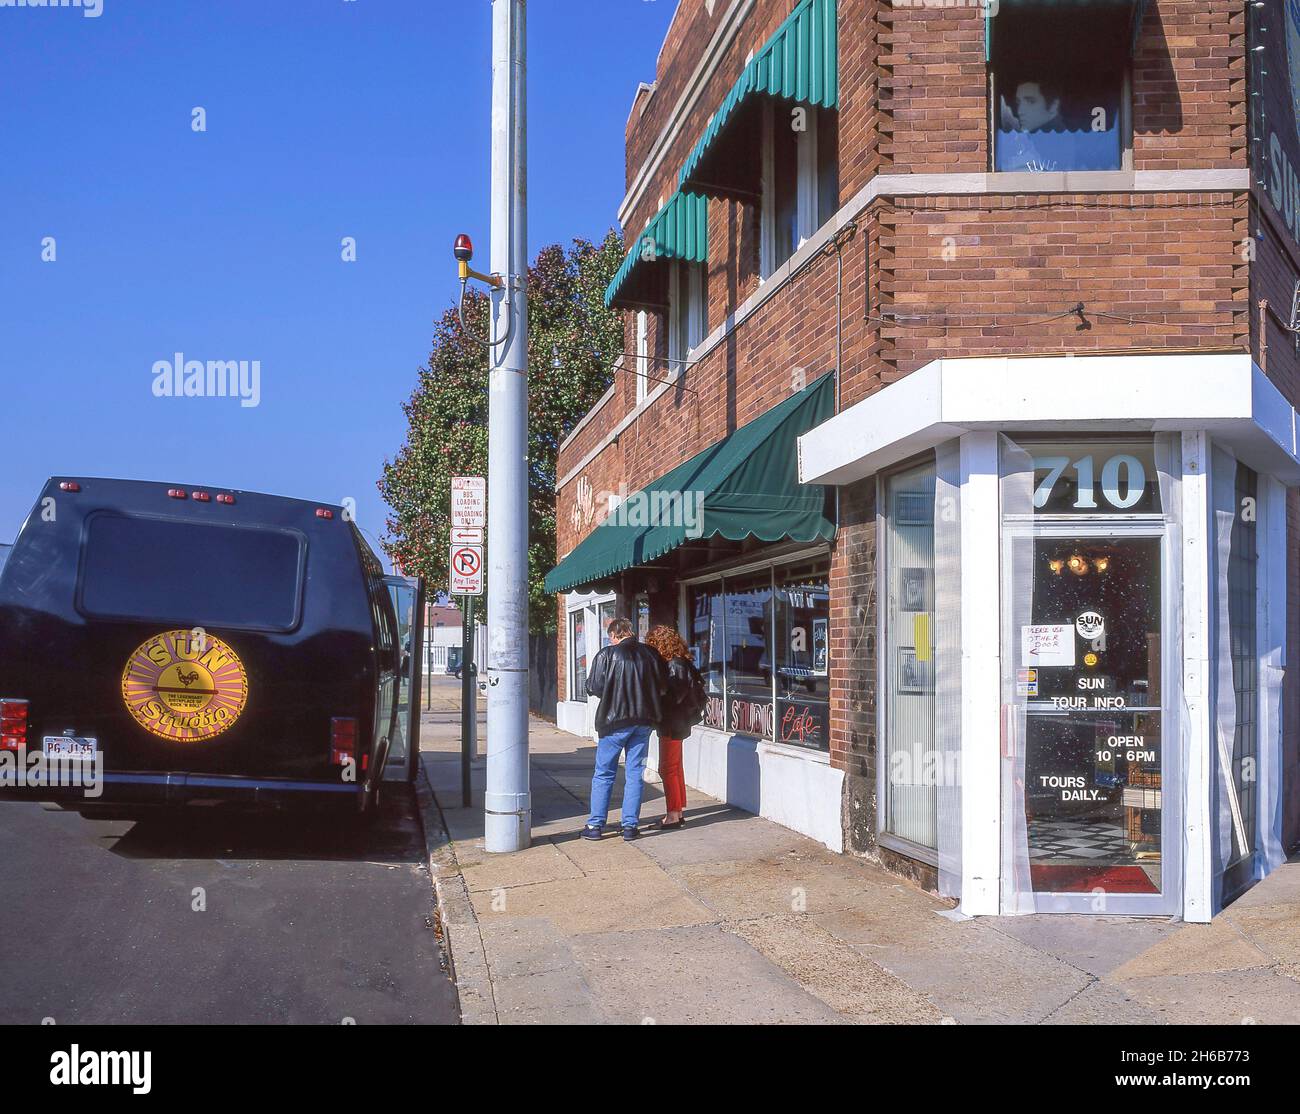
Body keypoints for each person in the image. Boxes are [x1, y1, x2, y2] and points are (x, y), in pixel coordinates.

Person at [582, 616, 668, 841]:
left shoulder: (607, 654)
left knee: (604, 773)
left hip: (614, 722)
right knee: (634, 774)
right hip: (643, 722)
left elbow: (594, 686)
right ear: (631, 632)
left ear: (613, 635)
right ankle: (630, 825)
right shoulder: (651, 654)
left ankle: (595, 825)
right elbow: (663, 686)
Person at [645, 624, 706, 830]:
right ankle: (677, 810)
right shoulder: (680, 662)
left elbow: (674, 696)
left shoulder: (674, 665)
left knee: (667, 768)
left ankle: (672, 815)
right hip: (678, 721)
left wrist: (656, 694)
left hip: (672, 722)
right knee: (675, 767)